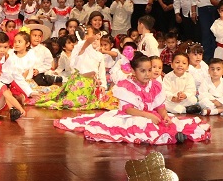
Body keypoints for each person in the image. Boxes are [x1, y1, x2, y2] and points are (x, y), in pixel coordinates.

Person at [54, 53, 209, 144]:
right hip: (131, 115)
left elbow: (160, 105)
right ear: (133, 72)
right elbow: (128, 109)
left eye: (149, 70)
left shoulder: (154, 84)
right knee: (143, 124)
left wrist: (164, 115)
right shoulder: (126, 85)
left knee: (169, 120)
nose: (147, 74)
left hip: (149, 114)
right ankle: (166, 137)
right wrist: (148, 114)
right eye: (143, 71)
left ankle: (176, 134)